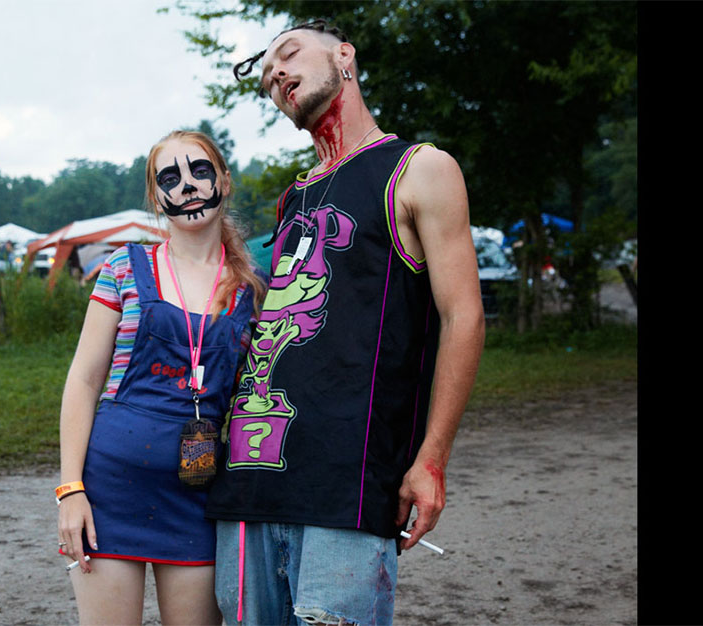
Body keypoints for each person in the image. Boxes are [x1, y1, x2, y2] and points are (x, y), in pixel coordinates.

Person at [204, 19, 486, 625]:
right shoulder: (293, 199)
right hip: (249, 481)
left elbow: (463, 316)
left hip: (348, 482)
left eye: (289, 54)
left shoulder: (418, 169)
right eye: (267, 77)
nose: (276, 75)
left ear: (345, 56)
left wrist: (431, 458)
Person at [57, 130, 268, 625]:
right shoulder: (122, 269)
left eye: (200, 170)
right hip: (109, 493)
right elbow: (84, 381)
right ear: (158, 197)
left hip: (196, 500)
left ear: (224, 180)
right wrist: (71, 490)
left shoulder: (254, 290)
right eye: (170, 177)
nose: (189, 185)